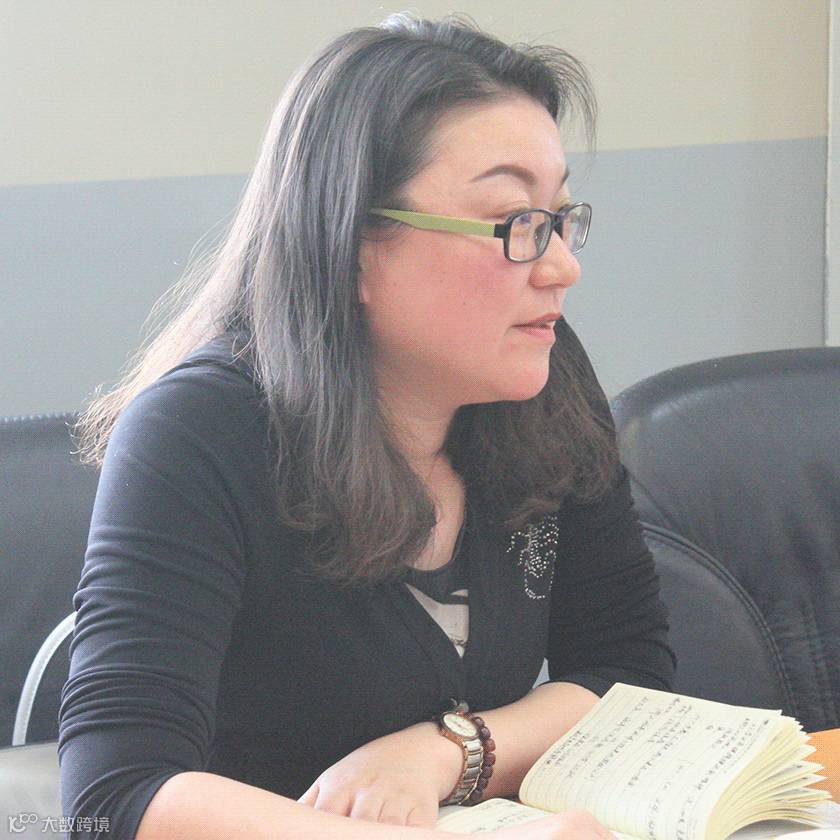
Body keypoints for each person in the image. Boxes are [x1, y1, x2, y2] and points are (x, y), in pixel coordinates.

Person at [58, 12, 675, 840]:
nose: (563, 266)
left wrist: (451, 751)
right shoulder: (199, 431)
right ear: (351, 245)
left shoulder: (542, 374)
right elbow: (115, 796)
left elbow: (627, 670)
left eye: (560, 218)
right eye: (515, 224)